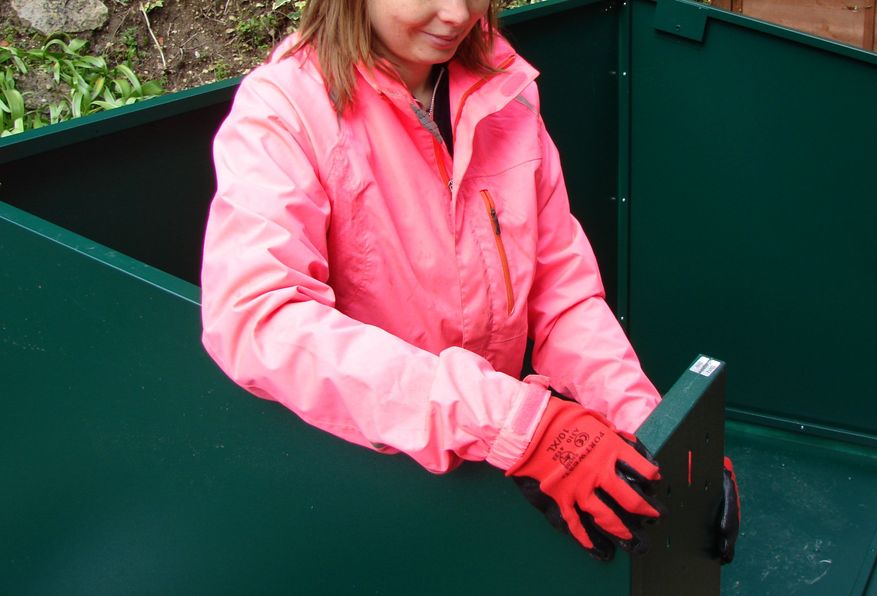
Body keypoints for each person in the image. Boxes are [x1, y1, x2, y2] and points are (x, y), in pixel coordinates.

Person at [201, 0, 737, 562]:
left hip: (491, 465)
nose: (458, 14)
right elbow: (258, 317)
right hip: (365, 487)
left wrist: (655, 434)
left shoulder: (504, 93)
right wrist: (517, 423)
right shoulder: (284, 111)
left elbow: (561, 293)